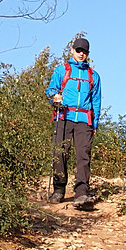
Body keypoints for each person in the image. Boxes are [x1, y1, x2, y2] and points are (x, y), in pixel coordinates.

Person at [46, 37, 102, 208]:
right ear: (72, 51)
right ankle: (58, 190)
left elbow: (96, 101)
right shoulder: (61, 70)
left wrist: (94, 124)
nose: (81, 53)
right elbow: (51, 90)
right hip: (64, 116)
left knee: (83, 155)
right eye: (78, 50)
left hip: (84, 120)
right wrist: (54, 97)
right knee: (60, 153)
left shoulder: (94, 76)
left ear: (88, 54)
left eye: (84, 51)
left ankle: (82, 193)